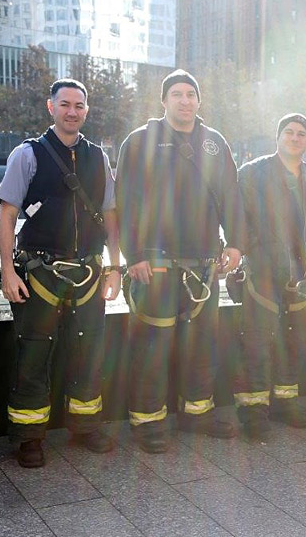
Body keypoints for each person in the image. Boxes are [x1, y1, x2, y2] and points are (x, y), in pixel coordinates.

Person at [0, 79, 122, 468]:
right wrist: (6, 272)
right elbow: (7, 216)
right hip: (39, 273)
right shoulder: (26, 154)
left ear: (86, 110)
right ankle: (29, 437)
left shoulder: (98, 157)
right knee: (34, 352)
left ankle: (86, 426)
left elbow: (111, 216)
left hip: (88, 271)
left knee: (89, 351)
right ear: (50, 108)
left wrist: (115, 267)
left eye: (79, 105)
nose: (72, 111)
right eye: (65, 104)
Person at [117, 69, 245, 449]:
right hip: (156, 264)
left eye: (191, 93)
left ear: (199, 101)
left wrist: (236, 244)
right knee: (153, 348)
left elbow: (231, 195)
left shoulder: (215, 143)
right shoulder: (140, 142)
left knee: (202, 345)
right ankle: (148, 422)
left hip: (205, 265)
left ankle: (196, 415)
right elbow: (126, 201)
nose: (185, 100)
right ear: (163, 100)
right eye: (177, 94)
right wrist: (135, 254)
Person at [232, 114, 306, 440]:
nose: (295, 137)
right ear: (277, 137)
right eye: (288, 132)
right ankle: (253, 411)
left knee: (293, 340)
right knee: (257, 341)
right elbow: (237, 221)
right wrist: (251, 254)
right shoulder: (252, 173)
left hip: (300, 276)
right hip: (261, 273)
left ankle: (287, 403)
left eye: (302, 133)